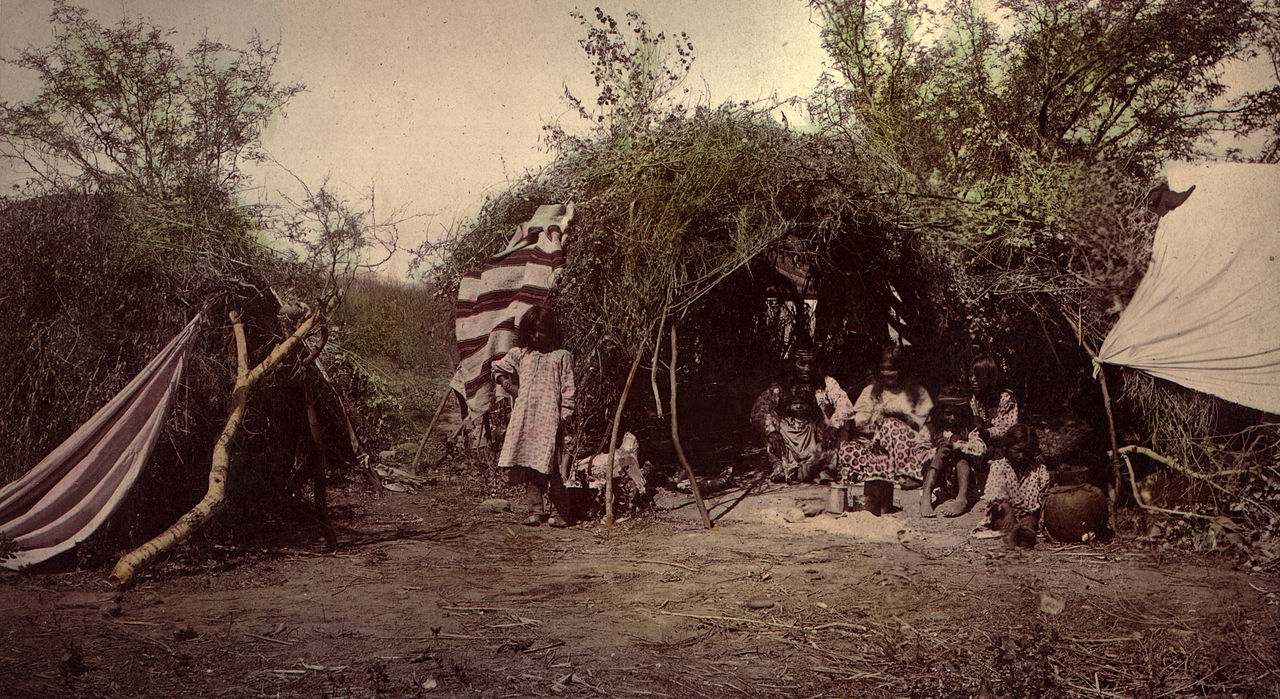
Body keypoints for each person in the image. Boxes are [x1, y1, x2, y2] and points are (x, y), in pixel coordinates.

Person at [492, 306, 576, 527]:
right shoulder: (520, 355)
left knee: (555, 468)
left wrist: (565, 414)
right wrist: (509, 386)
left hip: (551, 420)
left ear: (552, 331)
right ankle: (535, 511)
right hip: (527, 419)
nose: (537, 336)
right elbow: (497, 369)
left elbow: (568, 388)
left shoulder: (561, 356)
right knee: (531, 465)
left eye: (542, 331)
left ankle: (561, 513)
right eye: (532, 332)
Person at [836, 346, 933, 515]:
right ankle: (882, 473)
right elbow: (859, 421)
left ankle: (902, 473)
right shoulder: (871, 392)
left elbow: (924, 425)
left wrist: (900, 418)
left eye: (893, 369)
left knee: (891, 425)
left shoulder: (916, 392)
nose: (888, 373)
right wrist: (866, 422)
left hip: (906, 446)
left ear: (902, 369)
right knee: (847, 450)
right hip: (877, 447)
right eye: (884, 369)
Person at [750, 345, 854, 483]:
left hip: (822, 438)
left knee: (842, 423)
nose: (807, 368)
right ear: (793, 363)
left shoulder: (827, 383)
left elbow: (845, 405)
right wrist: (772, 432)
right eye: (802, 363)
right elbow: (759, 409)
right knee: (769, 419)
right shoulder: (781, 386)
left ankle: (825, 468)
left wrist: (834, 427)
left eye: (811, 363)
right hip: (791, 439)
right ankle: (782, 466)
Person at [920, 385, 988, 518]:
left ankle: (962, 498)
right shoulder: (932, 429)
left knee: (960, 457)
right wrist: (937, 452)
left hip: (961, 477)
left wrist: (961, 447)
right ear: (941, 413)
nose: (952, 418)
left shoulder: (969, 430)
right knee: (941, 451)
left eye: (957, 414)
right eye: (948, 414)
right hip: (940, 477)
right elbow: (919, 454)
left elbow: (981, 449)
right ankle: (926, 493)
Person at [983, 424, 1051, 547]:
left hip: (1027, 512)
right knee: (1003, 521)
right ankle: (1012, 534)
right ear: (1007, 448)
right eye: (1017, 451)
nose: (1022, 456)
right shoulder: (999, 467)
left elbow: (1043, 495)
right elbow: (996, 494)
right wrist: (1009, 512)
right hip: (1003, 511)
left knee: (1030, 521)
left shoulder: (1037, 469)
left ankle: (1025, 534)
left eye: (1027, 452)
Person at [968, 354, 1019, 449]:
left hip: (999, 447)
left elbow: (1007, 430)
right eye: (971, 375)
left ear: (989, 377)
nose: (973, 379)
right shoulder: (973, 399)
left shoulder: (1005, 399)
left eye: (978, 376)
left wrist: (987, 433)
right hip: (976, 445)